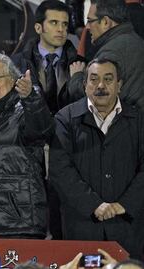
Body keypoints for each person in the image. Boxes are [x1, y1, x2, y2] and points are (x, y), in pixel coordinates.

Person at [50, 58, 144, 259]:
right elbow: (60, 171)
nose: (100, 86)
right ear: (84, 85)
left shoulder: (139, 120)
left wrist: (124, 205)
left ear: (119, 85)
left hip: (128, 226)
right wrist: (94, 205)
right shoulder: (65, 119)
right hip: (81, 226)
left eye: (108, 79)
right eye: (94, 79)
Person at [0, 53, 54, 239]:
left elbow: (42, 130)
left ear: (14, 80)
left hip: (19, 224)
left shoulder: (24, 111)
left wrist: (31, 98)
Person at [68, 0, 144, 110]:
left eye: (90, 21)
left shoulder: (110, 53)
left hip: (126, 124)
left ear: (105, 22)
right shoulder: (135, 40)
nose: (87, 27)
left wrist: (76, 76)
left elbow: (97, 95)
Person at [12, 0, 82, 114]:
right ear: (38, 28)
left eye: (65, 24)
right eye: (54, 22)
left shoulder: (81, 65)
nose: (61, 29)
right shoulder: (16, 64)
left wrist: (77, 80)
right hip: (30, 130)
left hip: (69, 130)